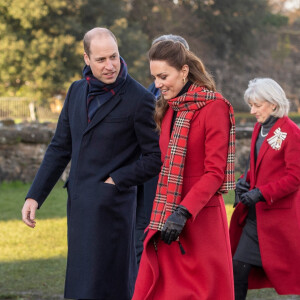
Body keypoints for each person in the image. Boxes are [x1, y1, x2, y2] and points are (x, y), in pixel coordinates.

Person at [21, 27, 161, 300]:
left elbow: (155, 158)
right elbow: (60, 148)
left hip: (115, 210)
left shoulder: (139, 98)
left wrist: (117, 180)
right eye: (101, 60)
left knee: (111, 287)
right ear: (86, 58)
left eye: (114, 57)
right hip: (79, 207)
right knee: (80, 287)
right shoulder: (75, 91)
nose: (110, 66)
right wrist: (34, 196)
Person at [132, 40, 236, 300]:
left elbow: (215, 172)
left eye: (163, 76)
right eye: (154, 77)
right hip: (166, 217)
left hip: (200, 221)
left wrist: (183, 211)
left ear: (184, 71)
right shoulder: (168, 109)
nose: (157, 84)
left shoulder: (215, 107)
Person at [229, 78, 300, 299]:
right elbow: (257, 166)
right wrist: (245, 180)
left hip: (278, 220)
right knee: (237, 268)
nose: (252, 111)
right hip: (255, 218)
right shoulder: (259, 128)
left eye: (257, 105)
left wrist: (261, 193)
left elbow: (295, 177)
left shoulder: (291, 132)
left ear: (274, 104)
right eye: (251, 105)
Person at [135, 34, 190, 266]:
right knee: (142, 243)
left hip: (179, 184)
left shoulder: (194, 100)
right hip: (146, 183)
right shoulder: (146, 95)